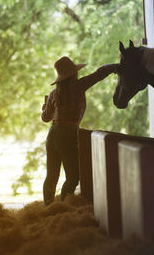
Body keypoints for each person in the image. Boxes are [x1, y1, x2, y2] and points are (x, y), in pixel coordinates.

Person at [41, 56, 118, 206]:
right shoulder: (78, 86)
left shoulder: (53, 94)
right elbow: (99, 74)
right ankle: (64, 206)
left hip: (53, 134)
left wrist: (44, 108)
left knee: (51, 176)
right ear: (73, 74)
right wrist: (116, 66)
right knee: (73, 177)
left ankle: (48, 207)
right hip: (67, 135)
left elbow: (45, 118)